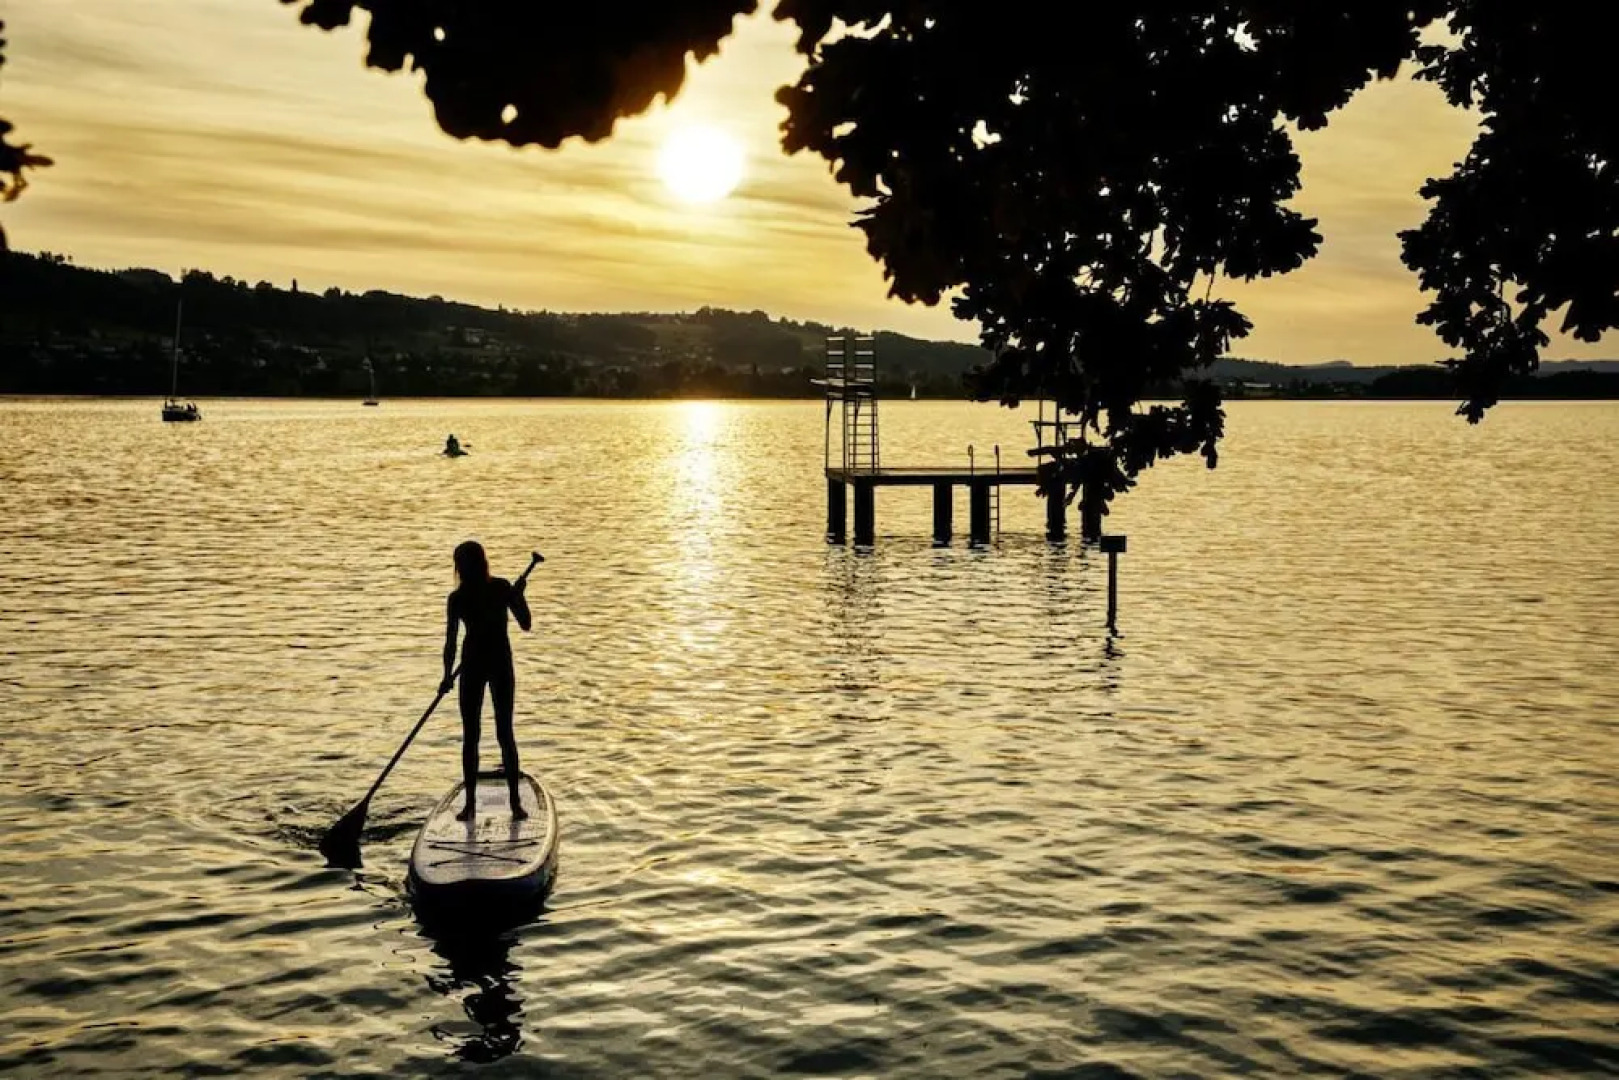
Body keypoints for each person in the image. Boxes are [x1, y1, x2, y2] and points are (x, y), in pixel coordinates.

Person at [440, 540, 532, 821]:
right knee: (472, 736)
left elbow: (526, 623)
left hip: (497, 665)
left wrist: (518, 597)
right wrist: (446, 676)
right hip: (472, 667)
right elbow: (451, 642)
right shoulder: (460, 599)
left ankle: (515, 804)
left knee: (504, 733)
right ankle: (470, 805)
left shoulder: (502, 589)